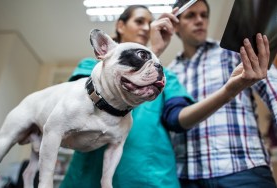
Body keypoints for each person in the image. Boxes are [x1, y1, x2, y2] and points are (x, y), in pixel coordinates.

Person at [60, 4, 270, 188]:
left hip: (152, 180)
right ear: (120, 25)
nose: (146, 27)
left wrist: (228, 91)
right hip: (90, 179)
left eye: (150, 22)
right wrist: (152, 52)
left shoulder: (167, 75)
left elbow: (177, 118)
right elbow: (75, 109)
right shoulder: (93, 66)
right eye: (139, 21)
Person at [168, 0, 277, 187]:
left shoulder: (234, 52)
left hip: (243, 170)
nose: (200, 20)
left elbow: (273, 88)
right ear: (176, 25)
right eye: (191, 16)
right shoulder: (170, 73)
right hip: (189, 176)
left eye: (204, 15)